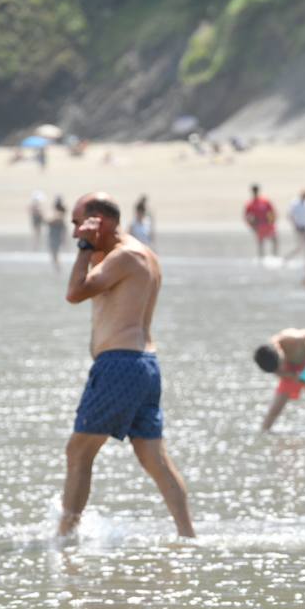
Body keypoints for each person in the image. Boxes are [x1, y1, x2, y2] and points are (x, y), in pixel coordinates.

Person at [59, 192, 195, 538]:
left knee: (79, 450)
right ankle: (187, 536)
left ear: (98, 223)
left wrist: (86, 247)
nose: (74, 231)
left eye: (78, 223)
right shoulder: (143, 254)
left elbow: (75, 292)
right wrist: (93, 246)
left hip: (120, 363)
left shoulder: (123, 257)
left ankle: (63, 536)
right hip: (144, 364)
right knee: (153, 457)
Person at [243, 184, 278, 260]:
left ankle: (274, 256)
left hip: (267, 225)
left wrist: (271, 222)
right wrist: (253, 226)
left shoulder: (264, 201)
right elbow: (246, 217)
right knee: (260, 243)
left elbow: (272, 212)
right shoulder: (250, 204)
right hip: (258, 226)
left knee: (274, 240)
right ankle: (261, 258)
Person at [282, 189, 305, 263]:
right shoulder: (295, 203)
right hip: (299, 227)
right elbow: (290, 215)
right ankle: (287, 258)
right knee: (301, 245)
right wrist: (295, 224)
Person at [46, 196, 67, 272]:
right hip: (54, 236)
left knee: (55, 253)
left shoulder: (59, 215)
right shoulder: (60, 214)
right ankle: (57, 269)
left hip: (55, 237)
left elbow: (49, 221)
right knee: (54, 254)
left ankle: (58, 269)